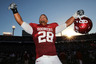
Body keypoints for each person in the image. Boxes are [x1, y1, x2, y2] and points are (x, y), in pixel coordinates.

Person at [8, 3, 80, 64]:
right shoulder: (34, 27)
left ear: (47, 20)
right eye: (41, 17)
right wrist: (14, 10)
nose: (42, 18)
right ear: (39, 20)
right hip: (42, 58)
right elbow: (20, 22)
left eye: (44, 17)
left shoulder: (53, 27)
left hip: (55, 57)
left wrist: (75, 15)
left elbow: (66, 24)